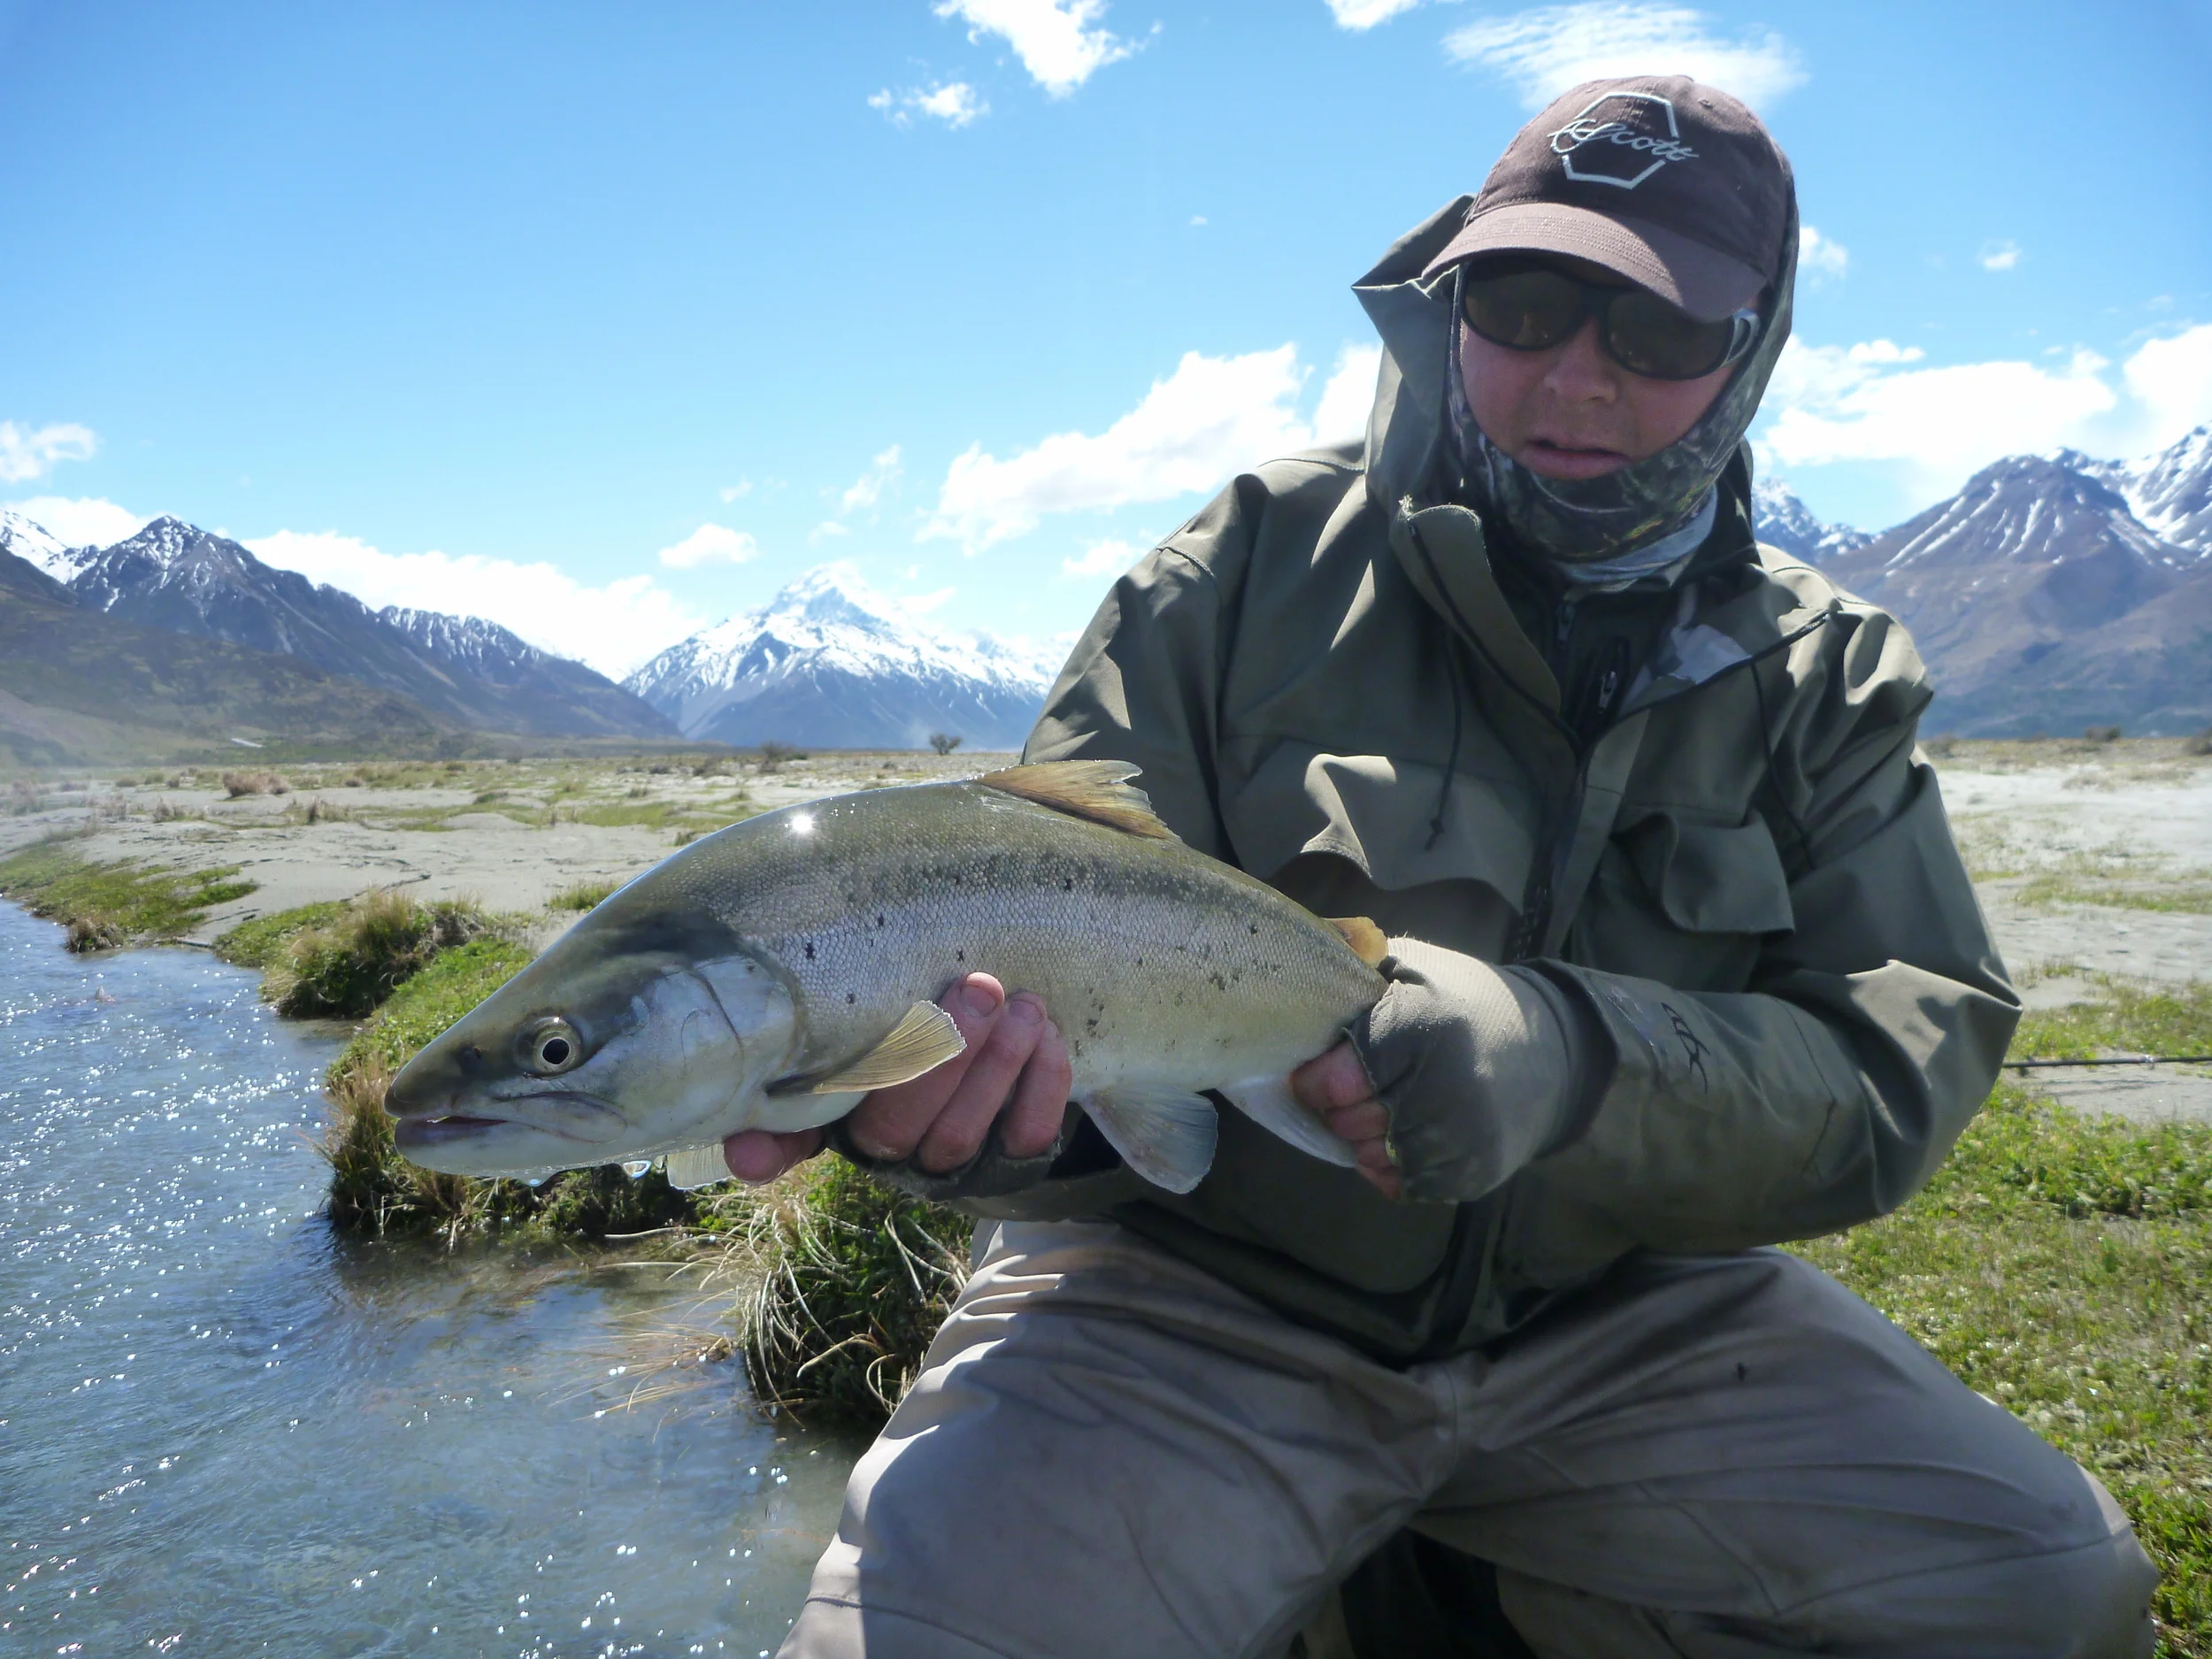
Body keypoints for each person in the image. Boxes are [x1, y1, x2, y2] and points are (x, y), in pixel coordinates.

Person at [729, 75, 2159, 1657]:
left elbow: (1895, 1061)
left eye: (1660, 330)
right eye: (1525, 303)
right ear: (1451, 297)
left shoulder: (1829, 676)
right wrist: (978, 1132)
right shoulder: (1238, 574)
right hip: (1196, 1299)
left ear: (1752, 350)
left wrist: (1573, 1064)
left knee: (2051, 1588)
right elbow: (1044, 970)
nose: (1577, 374)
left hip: (1619, 1319)